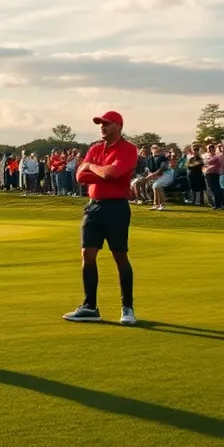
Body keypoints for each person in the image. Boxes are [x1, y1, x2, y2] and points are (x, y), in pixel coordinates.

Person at [63, 111, 140, 325]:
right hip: (93, 207)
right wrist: (94, 170)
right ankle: (90, 307)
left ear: (118, 126)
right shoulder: (95, 148)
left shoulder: (129, 149)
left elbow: (111, 174)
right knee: (87, 254)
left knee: (119, 256)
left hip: (116, 208)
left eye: (106, 123)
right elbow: (80, 177)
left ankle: (127, 307)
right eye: (101, 124)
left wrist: (91, 167)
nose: (102, 127)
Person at [144, 144, 173, 212]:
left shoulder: (163, 158)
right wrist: (149, 175)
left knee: (156, 186)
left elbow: (162, 168)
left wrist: (152, 175)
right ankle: (156, 205)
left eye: (156, 148)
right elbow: (149, 169)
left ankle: (162, 205)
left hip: (167, 174)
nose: (154, 149)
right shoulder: (150, 158)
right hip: (157, 175)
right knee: (156, 187)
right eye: (153, 148)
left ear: (158, 149)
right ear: (151, 149)